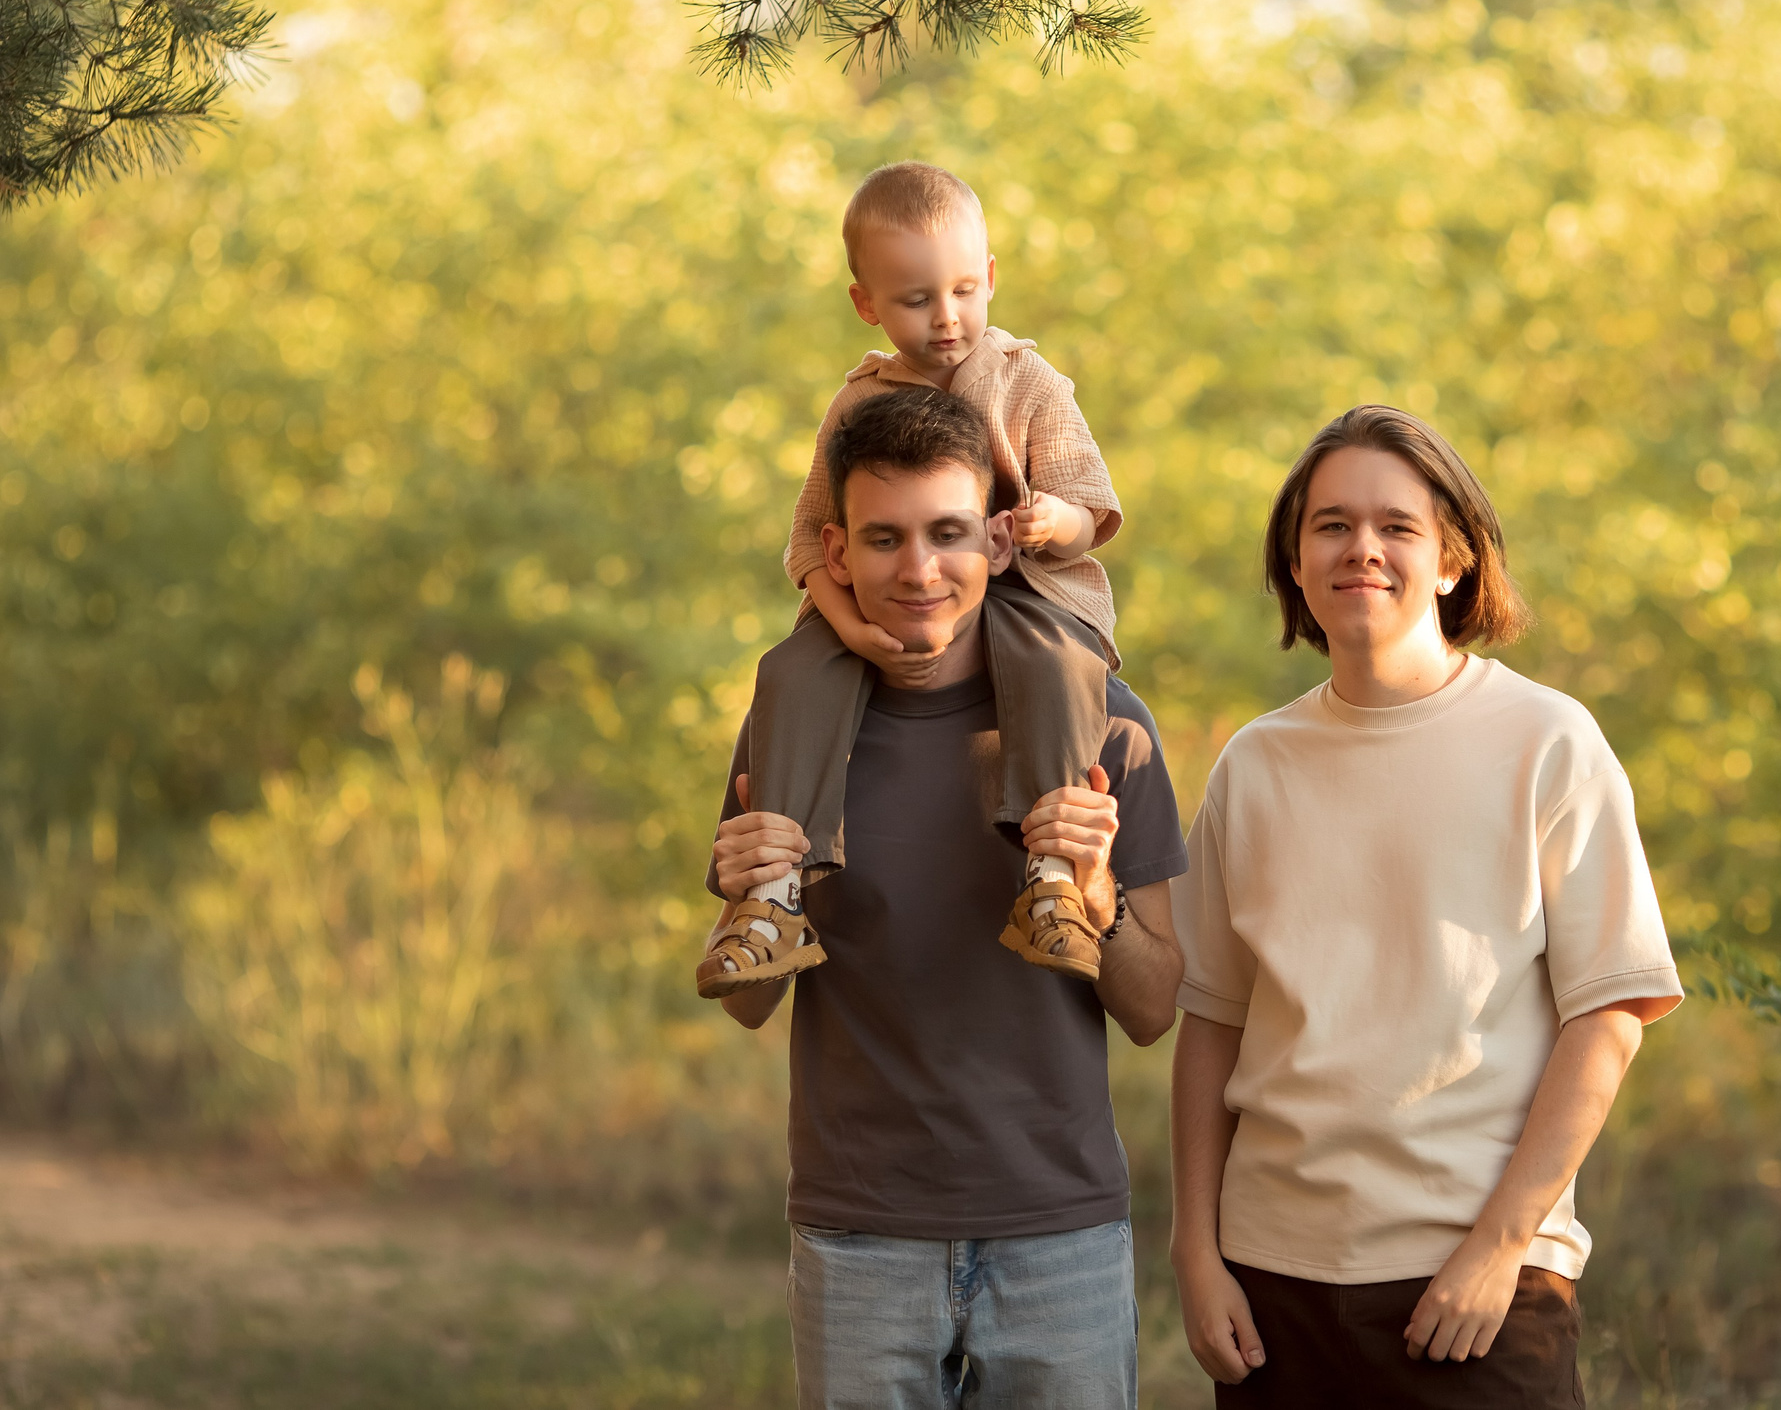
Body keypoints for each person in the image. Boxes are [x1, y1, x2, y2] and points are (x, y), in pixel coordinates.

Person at [1169, 405, 1683, 1407]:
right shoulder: (1252, 765)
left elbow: (1610, 1016)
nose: (1361, 549)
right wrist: (1197, 1251)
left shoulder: (1547, 742)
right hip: (1272, 1292)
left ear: (1450, 562)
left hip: (1475, 1293)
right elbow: (1211, 1026)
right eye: (1331, 525)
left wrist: (1499, 1249)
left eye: (1395, 527)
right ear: (1296, 560)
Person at [707, 386, 1188, 1409]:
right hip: (857, 1230)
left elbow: (1152, 1011)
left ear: (999, 544)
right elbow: (749, 999)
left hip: (1059, 1230)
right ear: (834, 552)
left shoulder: (1107, 730)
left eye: (948, 533)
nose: (920, 570)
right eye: (885, 538)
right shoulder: (791, 731)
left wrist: (1094, 898)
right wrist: (747, 887)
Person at [700, 161, 1126, 995]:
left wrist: (1052, 523)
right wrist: (850, 625)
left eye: (965, 291)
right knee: (789, 673)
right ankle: (775, 893)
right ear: (866, 303)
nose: (946, 318)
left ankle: (1051, 877)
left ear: (992, 278)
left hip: (1024, 590)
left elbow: (1092, 507)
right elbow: (808, 542)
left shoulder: (1026, 382)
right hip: (878, 600)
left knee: (1058, 665)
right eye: (916, 299)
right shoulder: (857, 402)